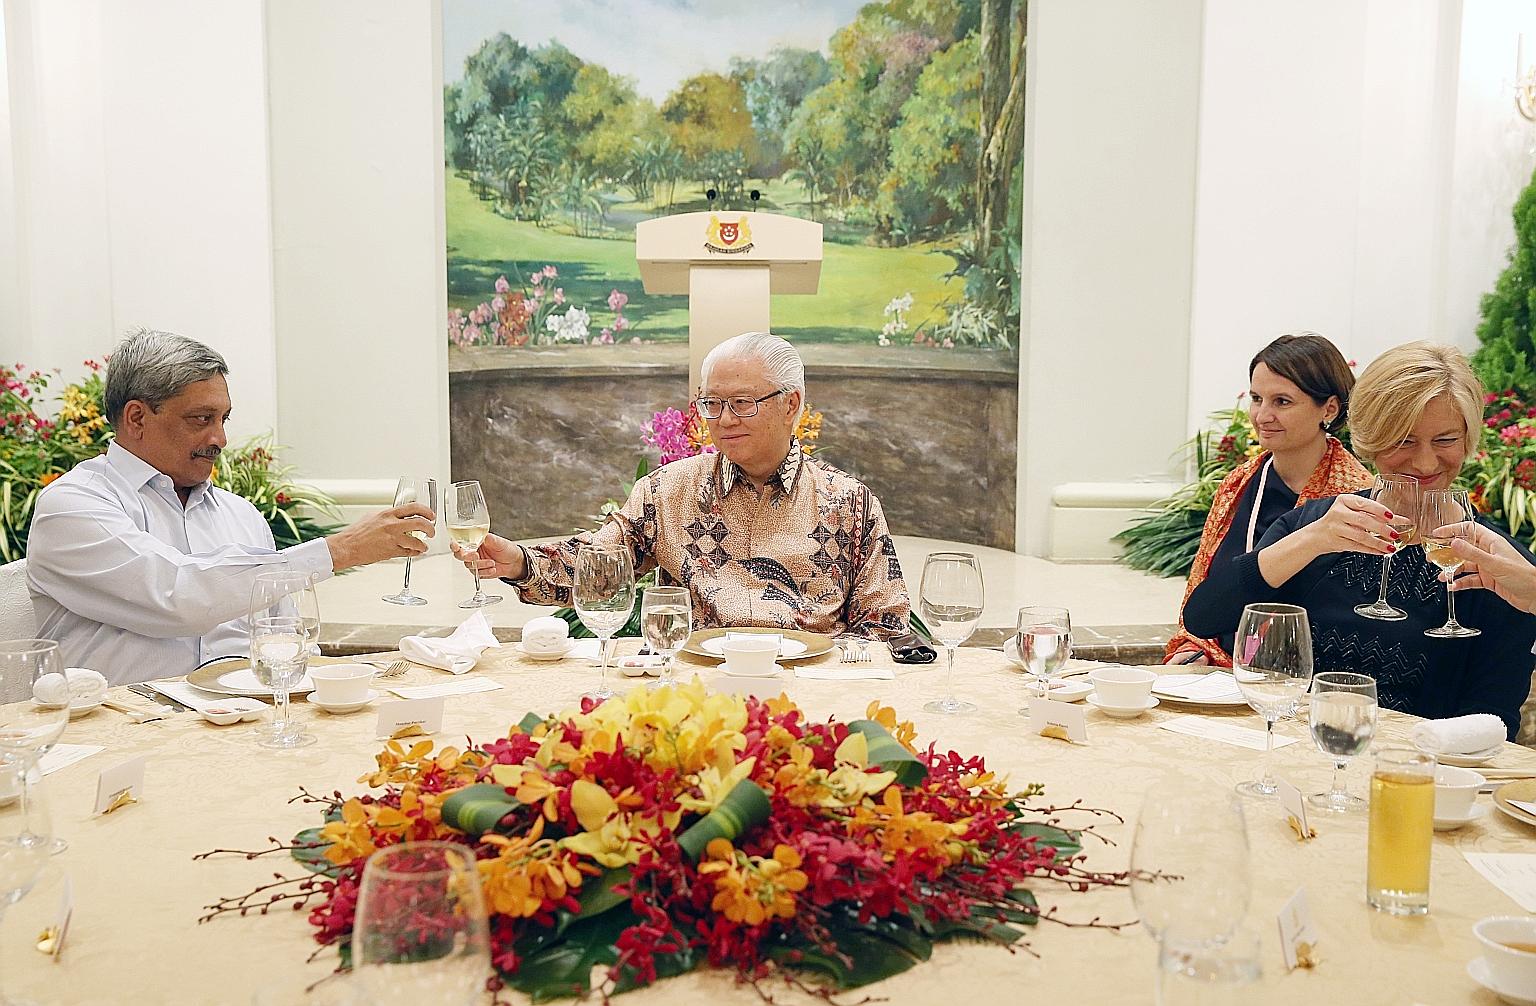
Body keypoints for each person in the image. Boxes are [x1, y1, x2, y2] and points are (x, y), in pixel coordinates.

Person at [27, 329, 435, 683]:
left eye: (224, 418)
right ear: (136, 418)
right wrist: (342, 549)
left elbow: (288, 639)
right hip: (121, 741)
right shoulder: (71, 506)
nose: (219, 438)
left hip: (245, 726)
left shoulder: (240, 515)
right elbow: (178, 597)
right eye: (201, 419)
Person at [1183, 341, 1536, 739]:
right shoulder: (1317, 524)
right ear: (1370, 439)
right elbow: (1204, 617)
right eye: (1403, 441)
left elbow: (1496, 716)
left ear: (1468, 439)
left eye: (1445, 440)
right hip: (1288, 754)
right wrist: (1310, 539)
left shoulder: (1498, 565)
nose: (1424, 462)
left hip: (1414, 774)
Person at [456, 332, 910, 638]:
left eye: (743, 403)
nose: (725, 420)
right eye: (712, 403)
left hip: (805, 695)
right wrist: (518, 562)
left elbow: (886, 624)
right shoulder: (667, 491)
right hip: (690, 692)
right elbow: (600, 570)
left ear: (790, 405)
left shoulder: (848, 502)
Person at [1166, 333, 1372, 665]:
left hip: (1305, 680)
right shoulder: (1239, 483)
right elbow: (1204, 588)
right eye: (1257, 398)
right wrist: (1197, 649)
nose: (1263, 415)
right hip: (1220, 675)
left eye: (1282, 402)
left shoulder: (1355, 497)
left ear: (1329, 409)